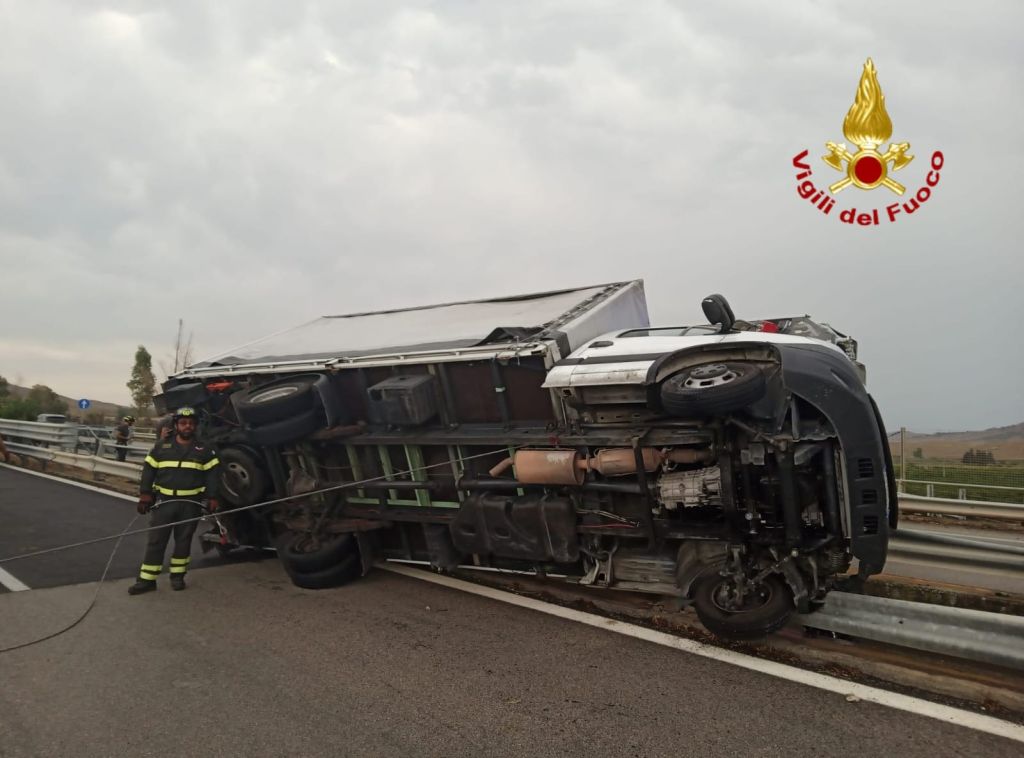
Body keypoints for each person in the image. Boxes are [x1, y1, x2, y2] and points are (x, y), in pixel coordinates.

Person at [128, 407, 220, 595]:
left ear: (196, 426)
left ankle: (177, 577)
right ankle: (147, 580)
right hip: (164, 503)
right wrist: (145, 495)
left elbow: (213, 475)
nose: (188, 426)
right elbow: (148, 471)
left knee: (183, 541)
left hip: (190, 504)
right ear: (176, 425)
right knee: (156, 541)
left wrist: (213, 497)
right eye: (183, 423)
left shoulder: (205, 449)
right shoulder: (162, 447)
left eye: (191, 423)